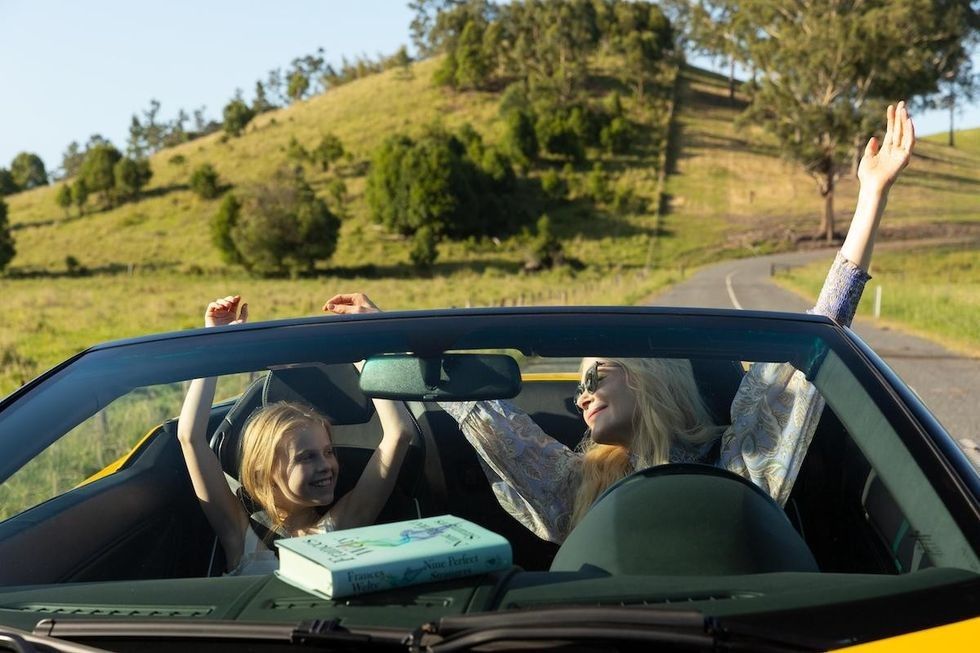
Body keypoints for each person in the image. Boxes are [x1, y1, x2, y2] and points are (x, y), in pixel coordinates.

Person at [324, 102, 916, 544]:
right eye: (582, 384)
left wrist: (871, 198)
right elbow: (484, 414)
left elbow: (812, 344)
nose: (582, 397)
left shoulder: (739, 466)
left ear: (648, 376)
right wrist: (391, 330)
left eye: (595, 376)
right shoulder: (573, 484)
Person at [178, 295, 416, 575]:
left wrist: (367, 340)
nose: (326, 465)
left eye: (328, 452)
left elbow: (399, 432)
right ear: (263, 469)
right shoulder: (240, 536)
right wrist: (215, 340)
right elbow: (190, 437)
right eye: (306, 457)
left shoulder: (342, 526)